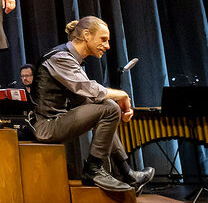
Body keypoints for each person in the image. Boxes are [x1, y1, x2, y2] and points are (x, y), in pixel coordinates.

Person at [32, 17, 154, 192]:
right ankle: (93, 169)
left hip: (59, 121)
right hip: (47, 126)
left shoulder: (72, 59)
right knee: (109, 108)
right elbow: (89, 89)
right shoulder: (60, 58)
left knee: (108, 106)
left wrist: (118, 107)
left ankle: (128, 174)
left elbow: (89, 99)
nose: (107, 46)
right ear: (86, 35)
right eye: (103, 39)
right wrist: (123, 95)